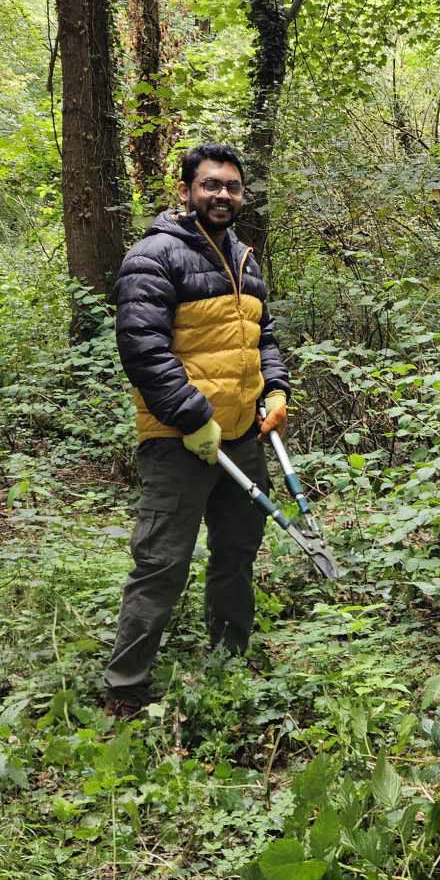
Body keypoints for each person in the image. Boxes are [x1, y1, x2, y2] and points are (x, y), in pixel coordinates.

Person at [103, 142, 290, 714]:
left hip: (241, 436)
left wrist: (276, 388)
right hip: (177, 441)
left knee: (237, 552)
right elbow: (142, 349)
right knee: (162, 562)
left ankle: (230, 659)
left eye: (232, 187)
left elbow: (264, 336)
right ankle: (125, 686)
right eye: (211, 185)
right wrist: (191, 416)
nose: (223, 195)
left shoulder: (243, 257)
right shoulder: (153, 256)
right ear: (185, 191)